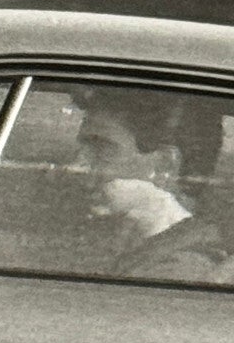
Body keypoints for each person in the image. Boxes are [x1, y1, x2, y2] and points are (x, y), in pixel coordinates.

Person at [74, 87, 229, 281]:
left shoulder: (183, 271)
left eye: (102, 148)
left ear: (165, 165)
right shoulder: (132, 248)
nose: (77, 164)